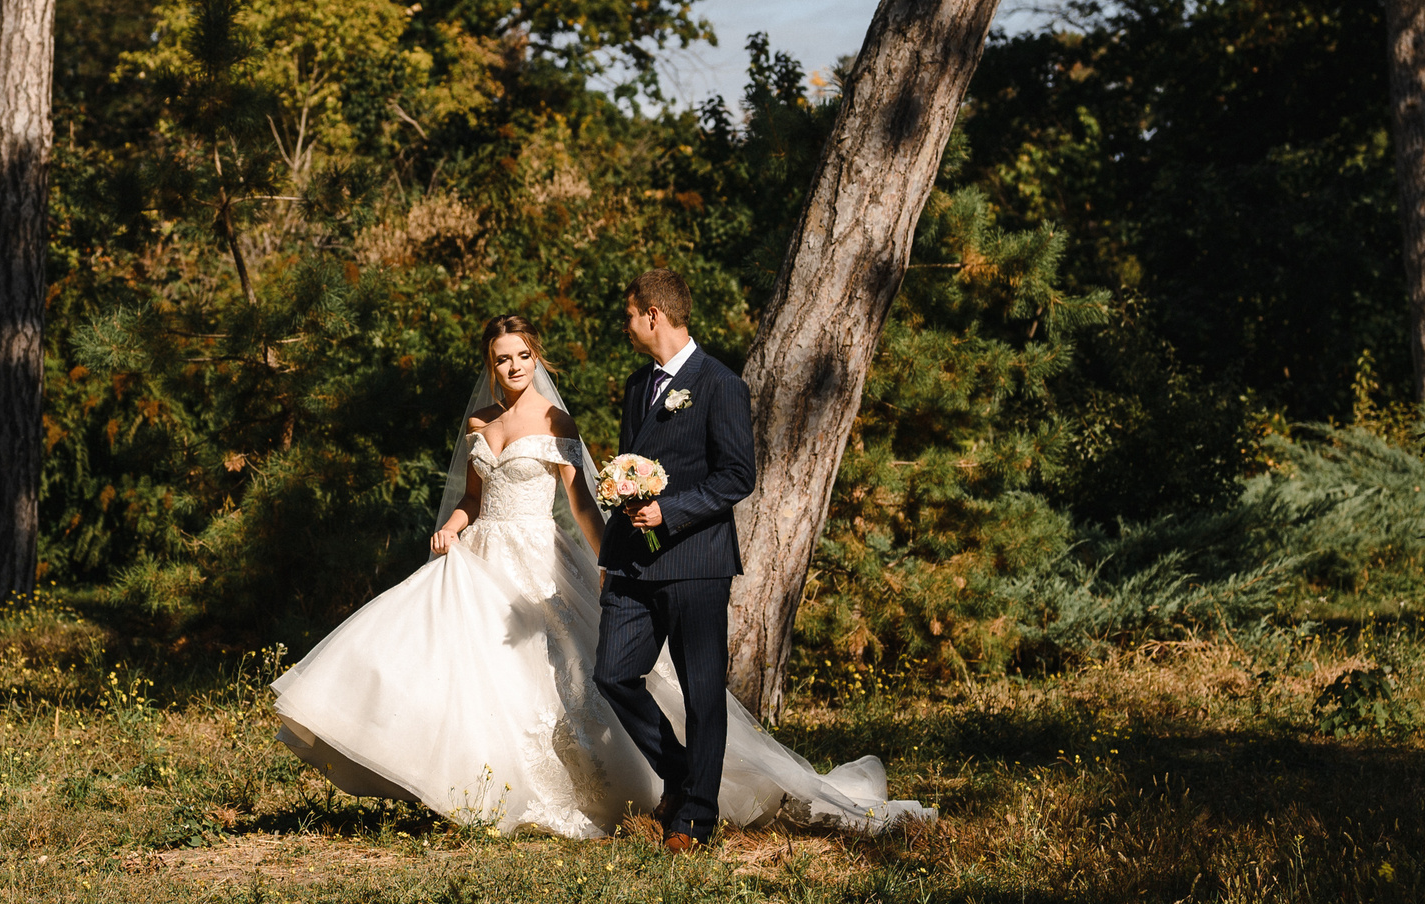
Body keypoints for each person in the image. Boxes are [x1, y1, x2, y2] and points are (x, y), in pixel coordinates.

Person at [270, 307, 930, 840]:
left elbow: (583, 502)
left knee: (578, 675)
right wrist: (452, 525)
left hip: (538, 556)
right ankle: (470, 788)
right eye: (502, 359)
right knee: (455, 667)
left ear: (537, 359)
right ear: (490, 366)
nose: (514, 367)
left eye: (523, 356)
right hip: (482, 558)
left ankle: (646, 783)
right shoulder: (479, 424)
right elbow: (473, 499)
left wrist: (609, 562)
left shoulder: (557, 420)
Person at [594, 268, 751, 850]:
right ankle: (682, 773)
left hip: (696, 561)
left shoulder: (720, 384)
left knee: (702, 690)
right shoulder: (639, 386)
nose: (628, 325)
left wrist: (672, 510)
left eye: (631, 315)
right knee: (612, 673)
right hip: (634, 563)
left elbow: (739, 476)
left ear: (653, 315)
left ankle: (695, 818)